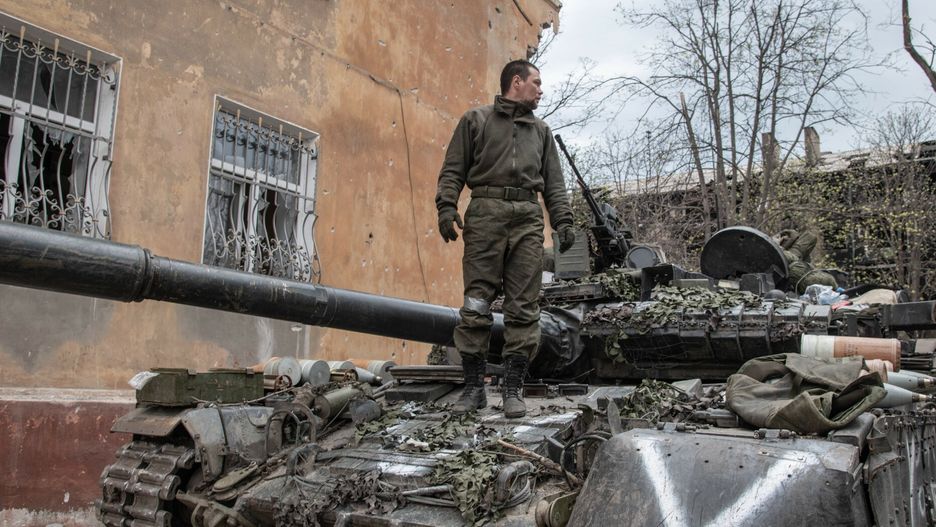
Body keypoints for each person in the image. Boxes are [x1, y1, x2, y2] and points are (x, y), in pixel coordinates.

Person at [435, 59, 575, 418]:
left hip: (527, 218)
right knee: (477, 303)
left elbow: (554, 184)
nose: (541, 90)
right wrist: (447, 207)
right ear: (517, 82)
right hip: (484, 213)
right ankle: (473, 390)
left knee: (524, 307)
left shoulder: (541, 132)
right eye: (537, 83)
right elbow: (453, 168)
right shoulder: (476, 121)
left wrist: (563, 221)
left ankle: (513, 390)